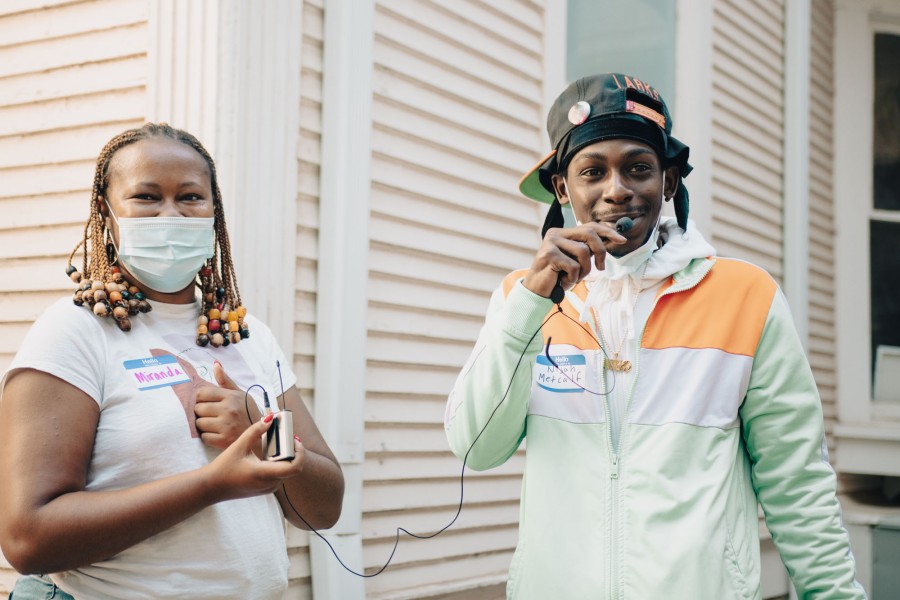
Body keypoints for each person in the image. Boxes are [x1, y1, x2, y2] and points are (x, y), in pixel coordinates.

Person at [444, 73, 865, 599]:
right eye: (592, 171)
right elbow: (476, 448)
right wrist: (530, 305)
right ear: (562, 188)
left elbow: (796, 482)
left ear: (668, 181)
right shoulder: (521, 301)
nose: (616, 189)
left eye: (638, 168)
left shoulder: (745, 296)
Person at [0, 123, 345, 599]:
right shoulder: (74, 333)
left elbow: (323, 509)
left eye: (189, 197)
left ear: (213, 211)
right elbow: (27, 538)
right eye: (146, 197)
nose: (171, 214)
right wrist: (210, 485)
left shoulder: (248, 336)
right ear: (107, 213)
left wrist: (263, 428)